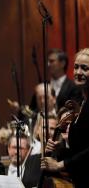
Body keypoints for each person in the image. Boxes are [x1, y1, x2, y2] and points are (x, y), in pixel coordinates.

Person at [42, 48, 89, 187]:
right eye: (76, 67)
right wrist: (61, 149)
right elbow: (80, 148)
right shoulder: (81, 102)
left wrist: (60, 165)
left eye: (85, 68)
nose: (78, 72)